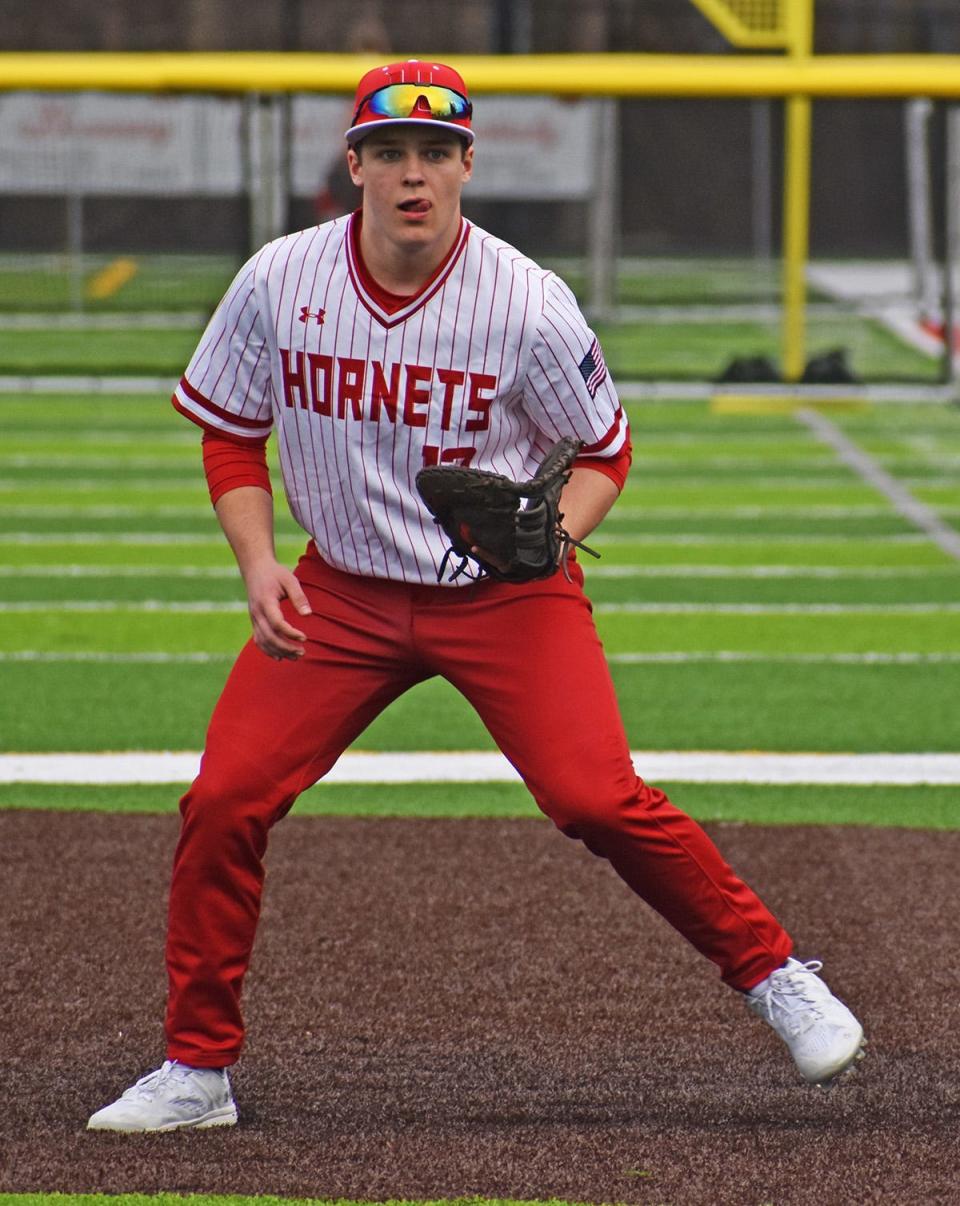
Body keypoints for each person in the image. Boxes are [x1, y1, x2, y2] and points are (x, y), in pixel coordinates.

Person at [87, 60, 864, 1133]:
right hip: (342, 594)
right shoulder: (278, 279)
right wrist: (259, 564)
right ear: (353, 164)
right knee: (225, 799)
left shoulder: (526, 300)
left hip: (502, 596)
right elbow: (231, 431)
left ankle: (779, 975)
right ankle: (195, 1070)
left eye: (437, 154)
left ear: (466, 166)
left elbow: (605, 451)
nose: (416, 175)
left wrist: (556, 534)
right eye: (393, 153)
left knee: (596, 797)